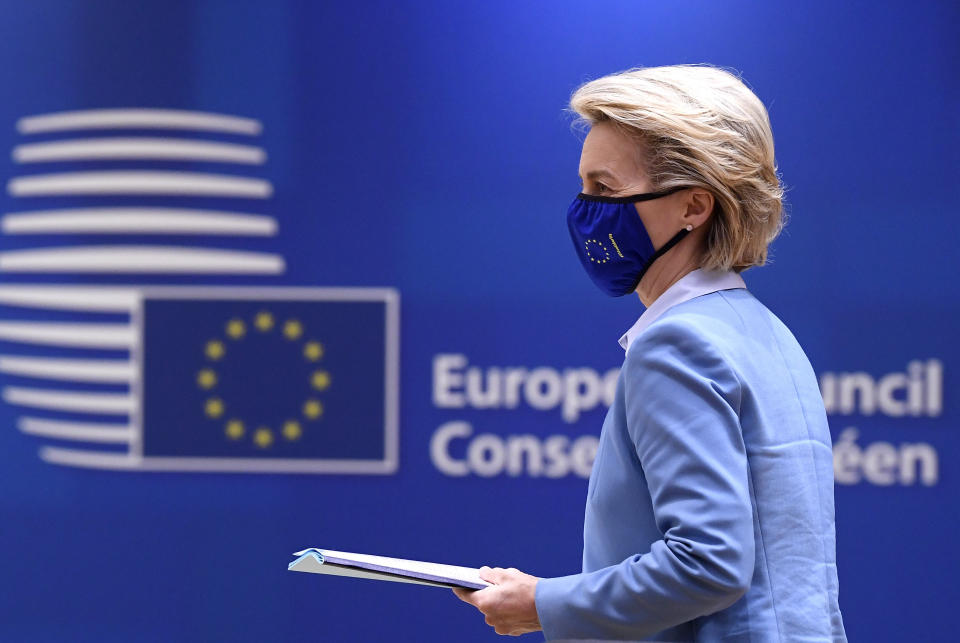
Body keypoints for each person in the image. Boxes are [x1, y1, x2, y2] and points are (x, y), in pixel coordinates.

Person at [453, 64, 846, 642]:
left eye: (604, 188)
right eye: (584, 187)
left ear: (693, 207)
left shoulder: (677, 344)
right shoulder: (770, 334)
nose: (585, 209)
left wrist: (543, 603)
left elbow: (708, 563)